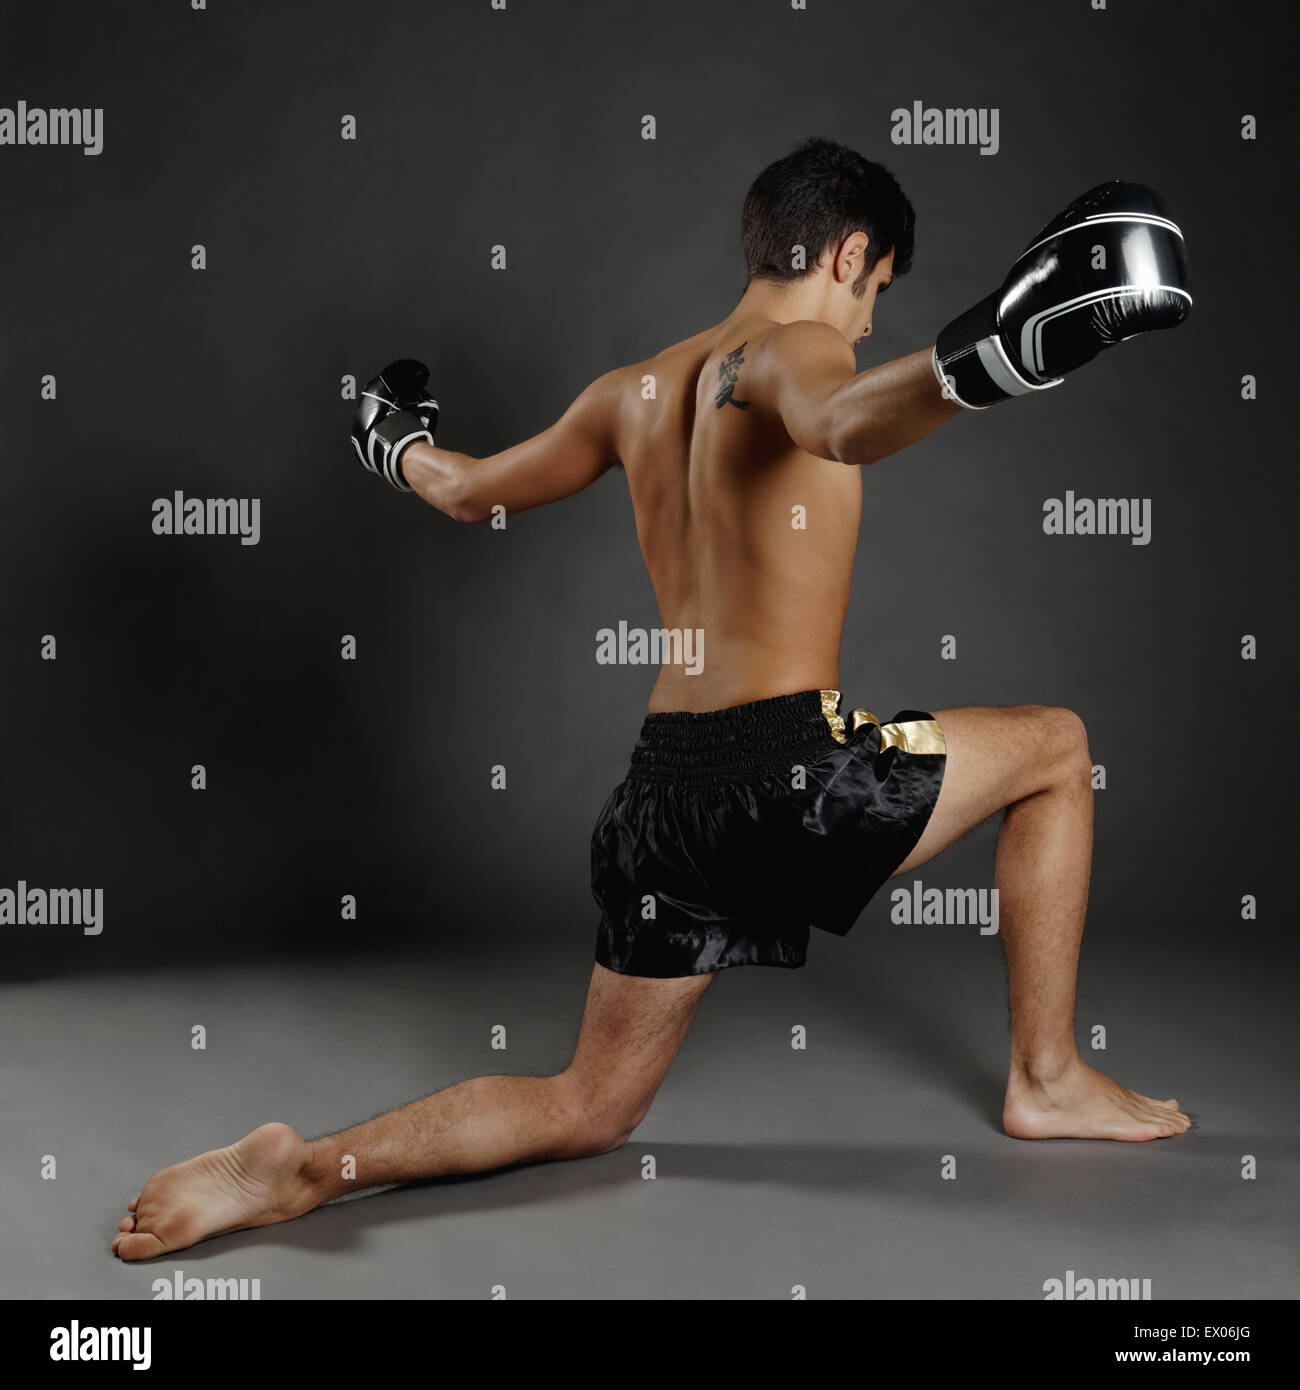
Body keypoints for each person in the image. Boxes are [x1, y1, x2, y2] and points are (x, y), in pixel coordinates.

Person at [112, 138, 1192, 1261]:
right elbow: (839, 419)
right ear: (849, 253)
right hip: (789, 778)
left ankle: (310, 1168)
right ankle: (1048, 1076)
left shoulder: (627, 393)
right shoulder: (792, 352)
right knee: (1058, 747)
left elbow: (468, 487)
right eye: (876, 292)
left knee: (587, 1103)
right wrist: (1003, 351)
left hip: (660, 797)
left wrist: (394, 442)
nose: (867, 321)